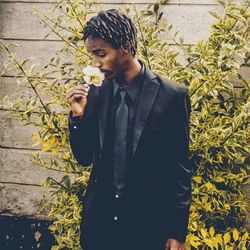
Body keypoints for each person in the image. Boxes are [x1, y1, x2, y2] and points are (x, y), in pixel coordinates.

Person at [66, 9, 192, 250]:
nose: (95, 63)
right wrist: (77, 116)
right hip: (99, 228)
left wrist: (177, 232)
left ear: (125, 47)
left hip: (146, 229)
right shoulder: (94, 92)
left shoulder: (172, 96)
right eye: (92, 55)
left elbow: (179, 168)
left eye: (101, 54)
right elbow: (83, 158)